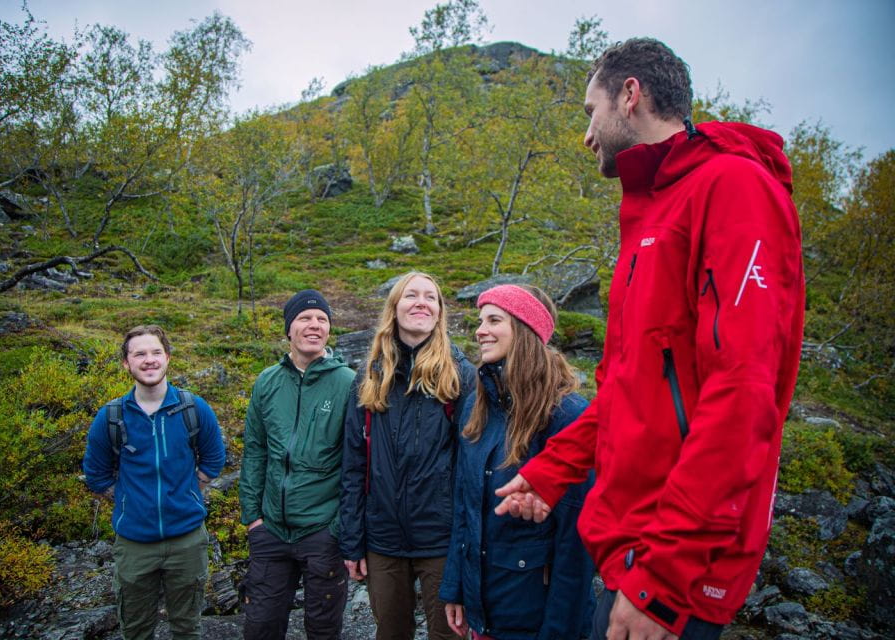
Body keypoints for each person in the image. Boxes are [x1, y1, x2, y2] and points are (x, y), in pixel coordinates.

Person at [494, 38, 805, 640]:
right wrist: (553, 470)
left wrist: (662, 577)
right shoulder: (650, 216)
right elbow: (628, 388)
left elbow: (743, 395)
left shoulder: (733, 188)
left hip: (670, 564)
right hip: (627, 545)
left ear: (629, 95)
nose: (587, 135)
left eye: (591, 111)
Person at [440, 284, 596, 640]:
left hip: (536, 618)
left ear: (526, 330)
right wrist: (456, 588)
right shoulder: (476, 408)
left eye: (494, 320)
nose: (480, 330)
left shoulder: (567, 416)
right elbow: (465, 507)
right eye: (481, 320)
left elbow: (577, 543)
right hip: (483, 613)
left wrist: (559, 632)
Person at [339, 271, 477, 640]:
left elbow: (474, 465)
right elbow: (353, 465)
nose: (421, 302)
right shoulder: (369, 376)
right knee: (390, 632)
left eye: (430, 297)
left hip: (442, 540)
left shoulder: (461, 375)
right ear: (394, 308)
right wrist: (353, 539)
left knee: (448, 633)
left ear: (439, 312)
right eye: (411, 295)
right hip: (383, 539)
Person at [83, 324, 226, 640]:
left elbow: (214, 459)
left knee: (187, 628)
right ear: (127, 363)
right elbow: (95, 475)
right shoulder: (110, 417)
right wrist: (128, 500)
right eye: (139, 354)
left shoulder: (193, 408)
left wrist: (190, 489)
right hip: (134, 544)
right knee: (135, 630)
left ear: (168, 358)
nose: (149, 360)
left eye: (155, 352)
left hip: (187, 541)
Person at [238, 289, 355, 640]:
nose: (314, 325)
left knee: (322, 629)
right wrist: (253, 517)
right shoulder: (267, 382)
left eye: (322, 319)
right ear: (289, 328)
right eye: (305, 318)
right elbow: (255, 450)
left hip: (322, 531)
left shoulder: (348, 383)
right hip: (271, 528)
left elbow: (356, 462)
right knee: (260, 626)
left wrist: (338, 527)